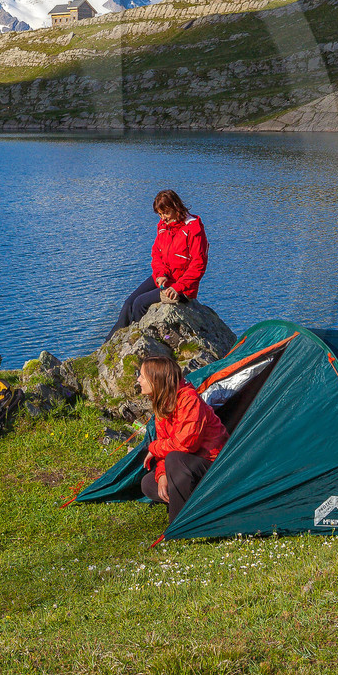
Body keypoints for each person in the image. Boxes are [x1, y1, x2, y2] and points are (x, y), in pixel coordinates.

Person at [136, 356, 229, 526]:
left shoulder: (189, 399)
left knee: (175, 458)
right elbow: (165, 441)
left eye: (142, 376)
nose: (138, 380)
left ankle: (179, 524)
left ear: (155, 379)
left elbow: (186, 444)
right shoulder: (162, 403)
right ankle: (195, 506)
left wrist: (153, 447)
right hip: (188, 465)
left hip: (214, 466)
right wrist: (163, 474)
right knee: (149, 484)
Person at [106, 189, 209, 341]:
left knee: (139, 303)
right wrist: (161, 273)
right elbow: (157, 254)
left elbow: (198, 265)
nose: (163, 218)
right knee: (128, 303)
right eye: (160, 214)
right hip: (165, 277)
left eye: (166, 213)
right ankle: (110, 343)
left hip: (181, 287)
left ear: (176, 207)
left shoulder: (194, 229)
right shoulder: (163, 227)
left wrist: (178, 287)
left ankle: (137, 339)